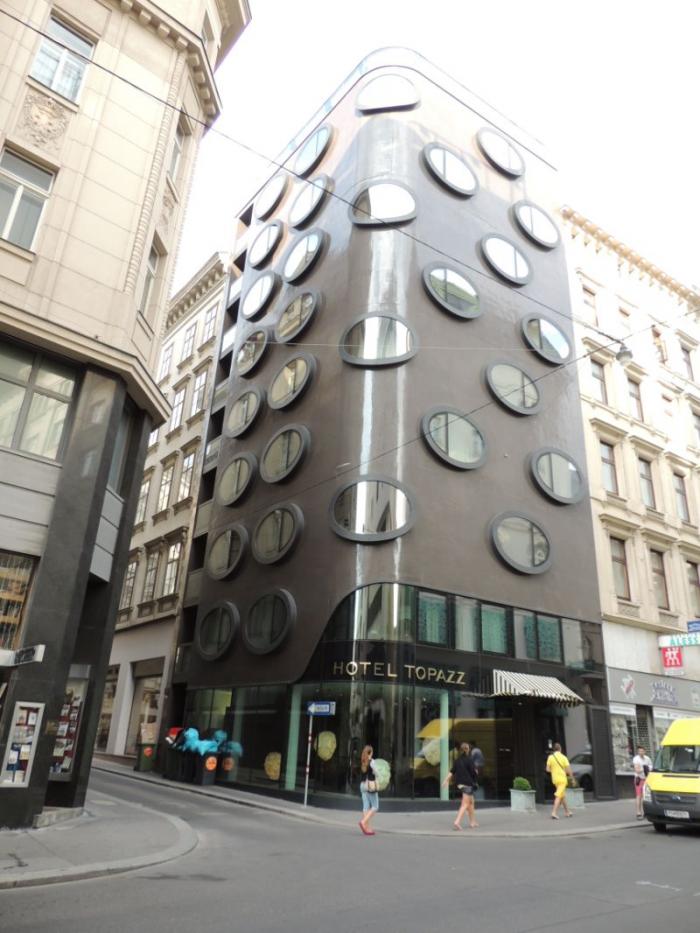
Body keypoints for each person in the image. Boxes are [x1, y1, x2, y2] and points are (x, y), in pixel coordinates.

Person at [442, 742, 479, 829]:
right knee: (465, 804)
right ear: (468, 750)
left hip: (460, 784)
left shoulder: (457, 760)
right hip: (467, 785)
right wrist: (476, 772)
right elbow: (474, 773)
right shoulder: (470, 760)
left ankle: (472, 822)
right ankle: (457, 822)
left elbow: (452, 771)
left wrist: (445, 780)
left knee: (471, 803)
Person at [546, 742, 573, 819]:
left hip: (555, 779)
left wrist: (554, 770)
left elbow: (547, 769)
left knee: (562, 795)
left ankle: (567, 812)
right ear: (560, 749)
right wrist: (572, 778)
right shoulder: (564, 757)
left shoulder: (550, 757)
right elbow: (568, 770)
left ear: (554, 749)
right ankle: (554, 813)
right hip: (562, 779)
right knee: (558, 796)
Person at [358, 744, 378, 835]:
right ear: (370, 753)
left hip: (362, 785)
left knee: (366, 807)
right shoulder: (372, 761)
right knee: (375, 806)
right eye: (372, 751)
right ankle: (363, 822)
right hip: (370, 785)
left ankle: (366, 828)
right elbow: (377, 773)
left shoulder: (363, 761)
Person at [632, 745, 653, 819]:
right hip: (639, 779)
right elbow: (637, 770)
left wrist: (646, 768)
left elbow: (651, 767)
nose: (641, 752)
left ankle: (645, 812)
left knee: (645, 796)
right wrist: (644, 768)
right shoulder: (636, 759)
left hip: (646, 779)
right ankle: (638, 812)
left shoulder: (647, 758)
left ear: (644, 751)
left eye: (642, 751)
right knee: (639, 796)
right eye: (639, 751)